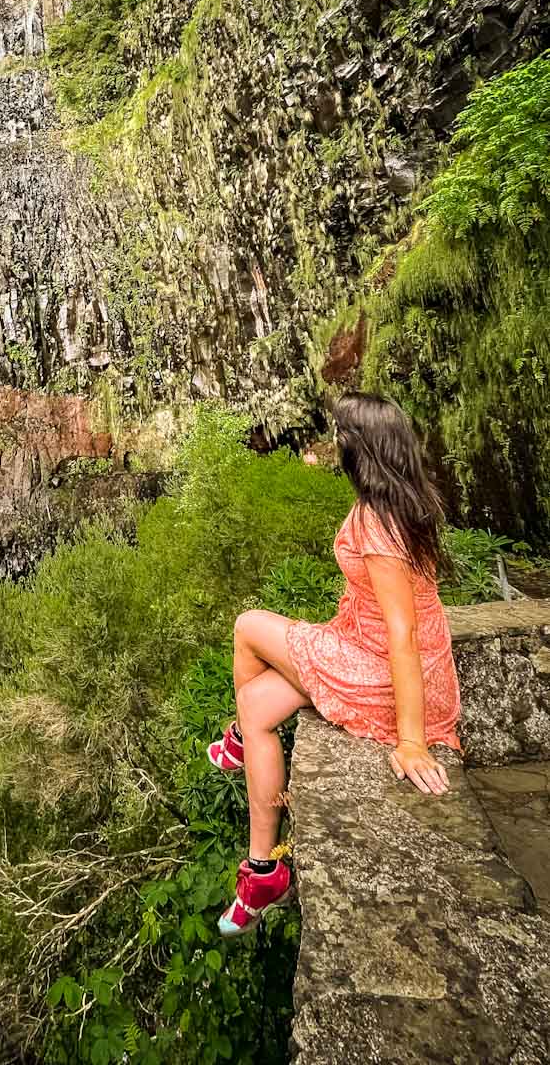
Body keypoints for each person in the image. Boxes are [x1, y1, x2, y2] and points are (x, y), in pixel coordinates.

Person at [208, 390, 461, 937]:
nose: (334, 443)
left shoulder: (377, 520)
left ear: (359, 449)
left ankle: (236, 743)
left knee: (248, 625)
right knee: (256, 705)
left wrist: (412, 739)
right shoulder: (406, 499)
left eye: (341, 436)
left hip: (382, 669)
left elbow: (403, 631)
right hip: (373, 648)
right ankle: (262, 871)